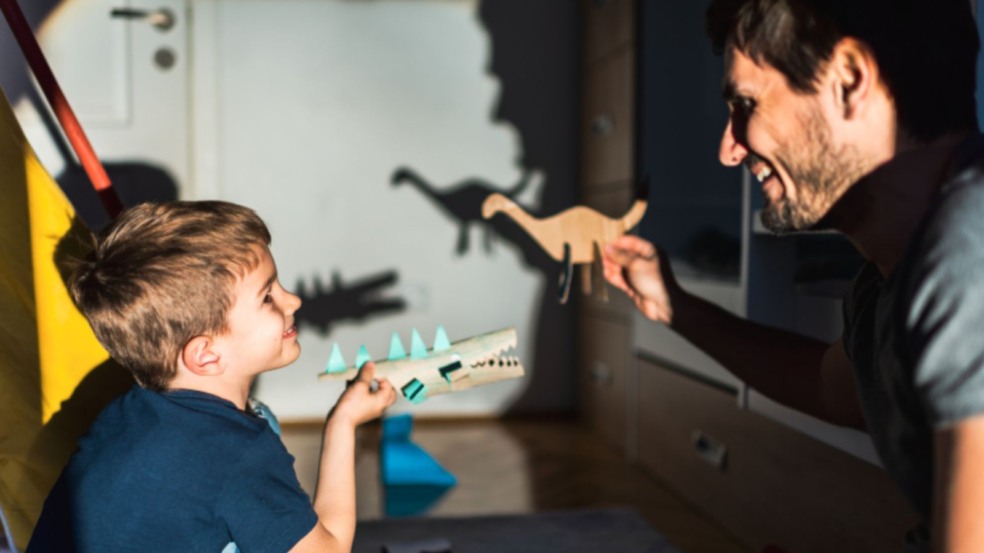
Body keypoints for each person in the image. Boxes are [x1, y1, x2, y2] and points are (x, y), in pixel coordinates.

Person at [603, 0, 983, 551]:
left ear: (849, 82)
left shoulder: (968, 257)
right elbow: (835, 392)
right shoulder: (885, 282)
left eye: (746, 104)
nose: (728, 150)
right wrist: (677, 307)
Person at [26, 201, 396, 552]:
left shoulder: (123, 413)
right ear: (205, 354)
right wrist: (344, 422)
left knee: (260, 418)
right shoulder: (235, 452)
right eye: (268, 297)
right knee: (259, 432)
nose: (293, 300)